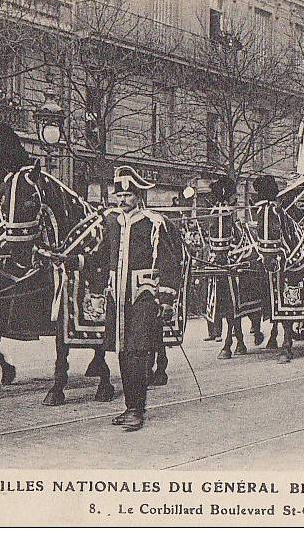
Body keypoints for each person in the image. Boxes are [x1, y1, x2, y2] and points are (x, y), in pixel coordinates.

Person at [104, 166, 183, 431]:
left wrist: (167, 299)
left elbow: (169, 262)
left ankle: (137, 409)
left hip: (143, 298)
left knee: (138, 354)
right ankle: (130, 406)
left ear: (138, 196)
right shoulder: (111, 222)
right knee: (123, 354)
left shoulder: (154, 223)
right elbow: (102, 257)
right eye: (119, 195)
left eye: (128, 195)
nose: (122, 200)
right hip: (119, 299)